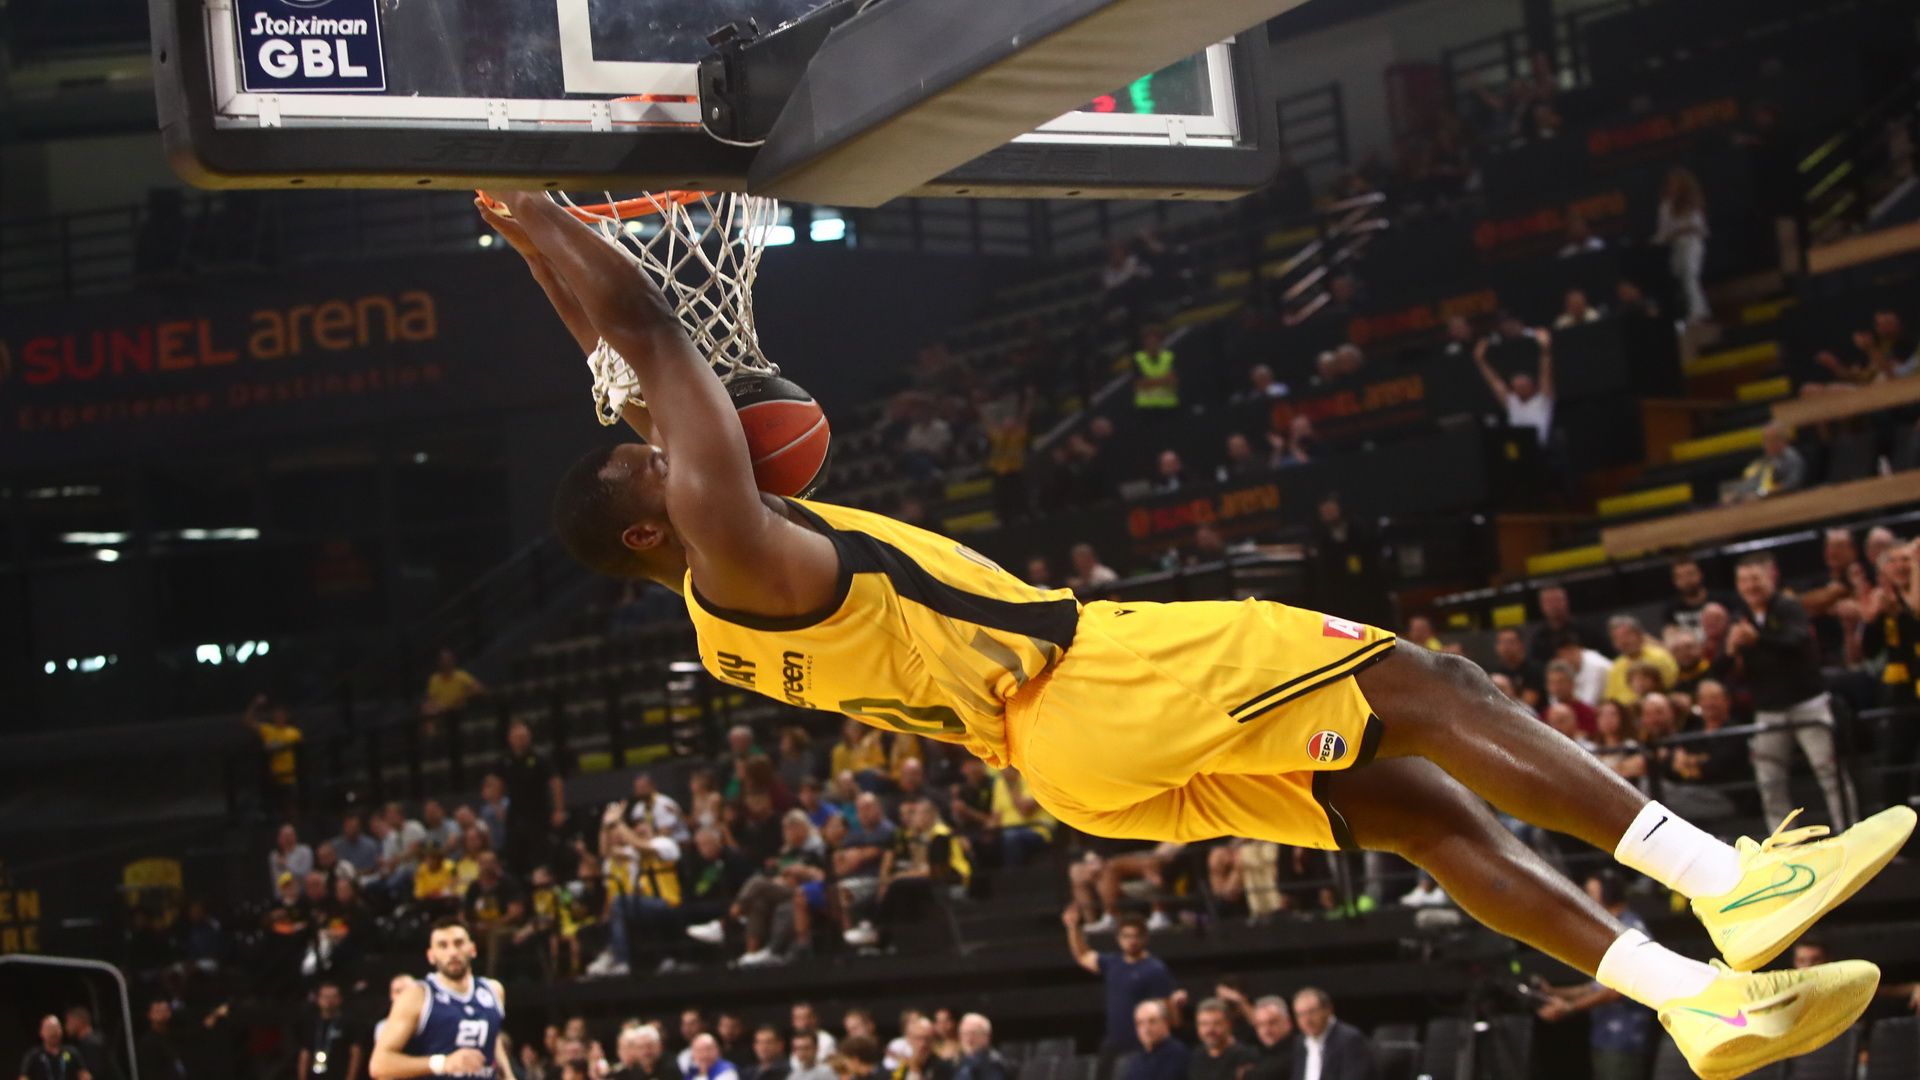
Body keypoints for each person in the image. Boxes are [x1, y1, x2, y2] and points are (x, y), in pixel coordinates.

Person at [479, 189, 1914, 1079]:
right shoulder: (730, 544)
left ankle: (1699, 1004)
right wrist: (533, 198)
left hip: (1064, 766)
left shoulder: (722, 608)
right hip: (1090, 676)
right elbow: (654, 340)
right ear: (651, 533)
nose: (666, 446)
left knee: (1421, 813)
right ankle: (1727, 879)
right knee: (1428, 682)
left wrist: (527, 240)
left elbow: (617, 360)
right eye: (650, 466)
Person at [1729, 554, 1859, 830]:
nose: (1751, 586)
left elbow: (1796, 640)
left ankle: (1849, 832)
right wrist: (1730, 650)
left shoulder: (1789, 607)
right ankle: (1785, 845)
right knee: (1769, 782)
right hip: (1768, 711)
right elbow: (1725, 668)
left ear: (1770, 577)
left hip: (1807, 703)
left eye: (1755, 578)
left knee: (1830, 773)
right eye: (1744, 580)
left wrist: (1758, 639)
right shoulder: (1740, 618)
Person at [1535, 872, 1655, 1080]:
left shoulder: (1630, 932)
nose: (1585, 898)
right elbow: (1596, 987)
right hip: (1604, 1038)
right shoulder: (1612, 928)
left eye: (1590, 893)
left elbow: (1615, 991)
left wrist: (1569, 1007)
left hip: (1623, 1041)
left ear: (1608, 895)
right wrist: (1555, 992)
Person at [370, 919, 513, 1079]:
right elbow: (379, 1064)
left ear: (473, 949)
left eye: (458, 943)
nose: (452, 952)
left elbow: (493, 1039)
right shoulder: (417, 996)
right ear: (431, 956)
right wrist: (442, 1063)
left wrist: (508, 1075)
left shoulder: (493, 990)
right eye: (443, 945)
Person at [1063, 908, 1178, 1052]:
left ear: (1145, 938)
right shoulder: (1112, 963)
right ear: (1118, 938)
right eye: (1126, 936)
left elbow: (1170, 1016)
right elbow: (1083, 956)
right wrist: (1072, 928)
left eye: (1136, 936)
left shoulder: (1155, 969)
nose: (1132, 941)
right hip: (1114, 1043)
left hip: (1142, 1047)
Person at [1471, 329, 1554, 447]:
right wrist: (1480, 360)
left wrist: (1545, 350)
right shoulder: (1512, 401)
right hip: (1517, 448)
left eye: (1523, 384)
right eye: (1516, 386)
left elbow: (1545, 374)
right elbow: (1494, 382)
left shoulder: (1543, 399)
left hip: (1540, 447)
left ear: (1532, 385)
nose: (1519, 388)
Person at [1654, 167, 1710, 324]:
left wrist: (1682, 230)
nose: (1672, 187)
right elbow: (1664, 233)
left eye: (1675, 183)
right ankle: (1695, 310)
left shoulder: (1691, 203)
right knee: (1681, 278)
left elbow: (1699, 228)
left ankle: (1698, 312)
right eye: (1670, 184)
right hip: (1677, 247)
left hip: (1692, 244)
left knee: (1690, 275)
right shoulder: (1665, 207)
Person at [1288, 990, 1370, 1080]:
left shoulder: (1349, 1039)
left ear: (1328, 1009)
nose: (1307, 1020)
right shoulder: (1300, 1042)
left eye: (1312, 1012)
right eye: (1300, 1014)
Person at [299, 981, 366, 1080]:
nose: (329, 1001)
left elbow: (356, 1052)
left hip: (339, 1075)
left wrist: (351, 1077)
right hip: (315, 1076)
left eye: (333, 997)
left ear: (340, 999)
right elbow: (305, 1053)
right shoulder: (311, 1023)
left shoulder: (349, 1022)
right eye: (325, 997)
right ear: (318, 999)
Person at [1724, 424, 1805, 504]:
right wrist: (1736, 493)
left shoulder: (1792, 458)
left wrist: (1761, 495)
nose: (1765, 445)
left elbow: (1791, 484)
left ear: (1781, 441)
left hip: (1788, 501)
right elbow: (1754, 482)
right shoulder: (1766, 460)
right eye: (1765, 441)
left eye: (1769, 441)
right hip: (1764, 499)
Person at [1187, 999, 1256, 1080]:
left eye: (1217, 1023)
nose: (1210, 1030)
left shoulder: (1246, 1056)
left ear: (1229, 1025)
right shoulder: (1197, 1055)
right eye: (1204, 1024)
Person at [1123, 1002, 1189, 1080]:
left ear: (1165, 1022)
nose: (1146, 1029)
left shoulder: (1178, 1054)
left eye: (1152, 1021)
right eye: (1140, 1023)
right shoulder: (1136, 1060)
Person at [19, 1015, 90, 1080]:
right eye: (49, 1029)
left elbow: (84, 1074)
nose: (53, 1033)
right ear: (41, 1032)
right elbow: (24, 1077)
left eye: (56, 1029)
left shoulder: (72, 1052)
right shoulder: (33, 1055)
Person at [62, 1007, 119, 1080]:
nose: (66, 1026)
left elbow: (97, 1074)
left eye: (69, 1021)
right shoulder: (95, 1039)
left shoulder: (91, 1044)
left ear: (79, 1021)